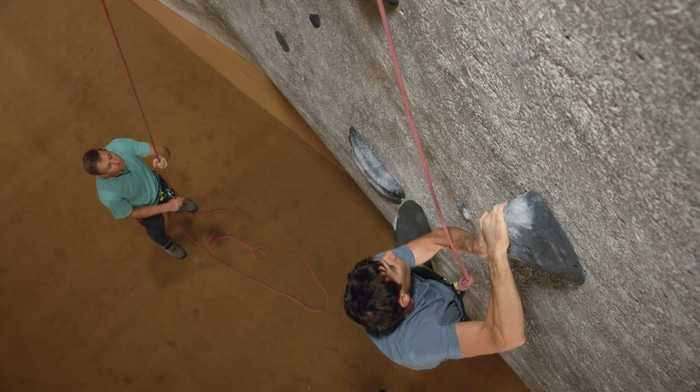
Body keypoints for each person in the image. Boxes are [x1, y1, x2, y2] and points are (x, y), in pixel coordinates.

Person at [343, 202, 525, 370]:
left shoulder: (376, 272)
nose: (389, 256)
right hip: (433, 327)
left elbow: (436, 239)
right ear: (403, 298)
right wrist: (496, 255)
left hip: (415, 296)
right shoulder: (420, 345)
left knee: (413, 259)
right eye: (391, 267)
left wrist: (476, 244)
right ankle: (445, 297)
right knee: (485, 325)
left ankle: (422, 272)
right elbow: (507, 338)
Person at [82, 138, 198, 259]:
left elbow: (161, 149)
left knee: (174, 198)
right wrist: (168, 206)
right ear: (102, 176)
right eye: (109, 166)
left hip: (158, 184)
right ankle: (167, 244)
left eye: (110, 156)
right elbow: (132, 213)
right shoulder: (107, 195)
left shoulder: (119, 145)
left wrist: (162, 156)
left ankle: (179, 206)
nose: (116, 161)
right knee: (156, 230)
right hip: (145, 209)